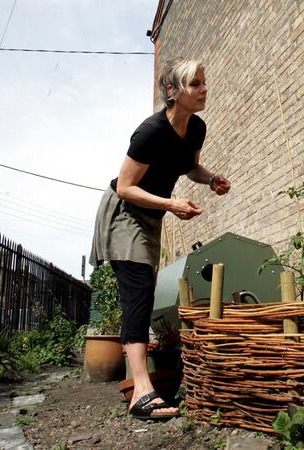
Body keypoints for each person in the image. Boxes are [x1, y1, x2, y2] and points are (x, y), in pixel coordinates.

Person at [90, 59, 231, 420]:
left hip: (150, 216)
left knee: (143, 292)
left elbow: (190, 167)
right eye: (194, 84)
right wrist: (171, 204)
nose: (203, 89)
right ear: (172, 92)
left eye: (204, 82)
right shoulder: (149, 132)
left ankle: (142, 382)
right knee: (137, 291)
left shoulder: (196, 128)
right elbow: (125, 187)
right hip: (124, 213)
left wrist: (211, 178)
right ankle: (141, 390)